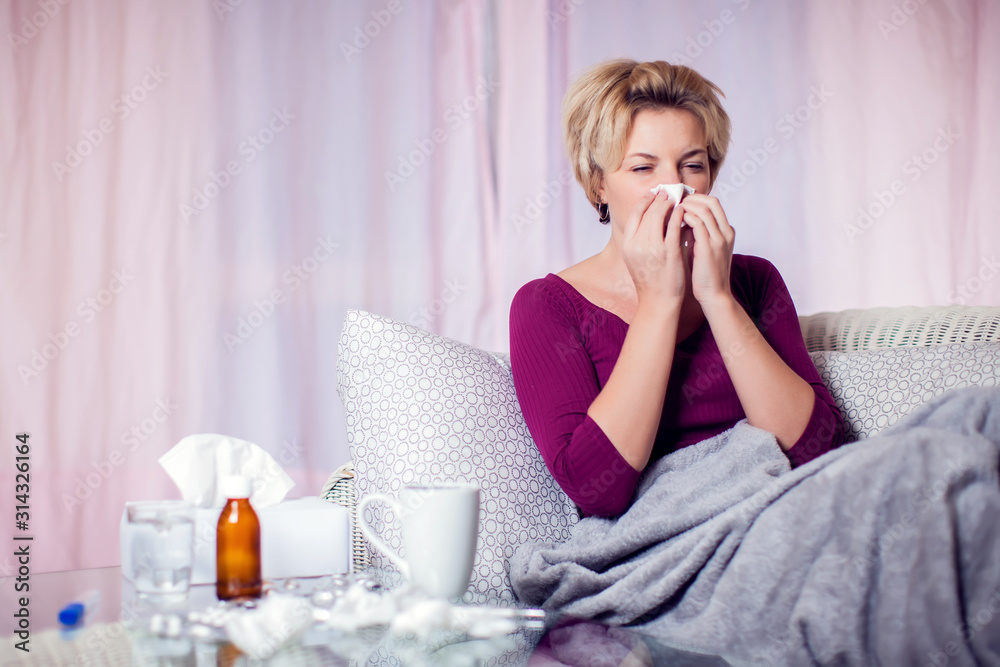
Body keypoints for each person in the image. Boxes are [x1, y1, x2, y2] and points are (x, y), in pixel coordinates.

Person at [509, 59, 845, 517]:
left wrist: (719, 298)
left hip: (778, 512)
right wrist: (659, 301)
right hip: (667, 535)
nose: (674, 187)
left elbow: (821, 455)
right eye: (643, 168)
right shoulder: (547, 306)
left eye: (692, 165)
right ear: (598, 184)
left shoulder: (754, 282)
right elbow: (596, 491)